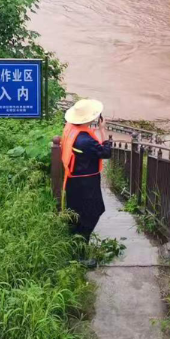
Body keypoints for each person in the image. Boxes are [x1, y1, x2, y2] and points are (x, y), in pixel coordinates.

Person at [61, 99, 112, 245]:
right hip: (86, 184)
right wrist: (102, 130)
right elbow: (106, 153)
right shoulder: (86, 141)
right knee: (93, 212)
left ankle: (73, 243)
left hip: (72, 179)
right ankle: (80, 251)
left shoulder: (70, 129)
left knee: (76, 214)